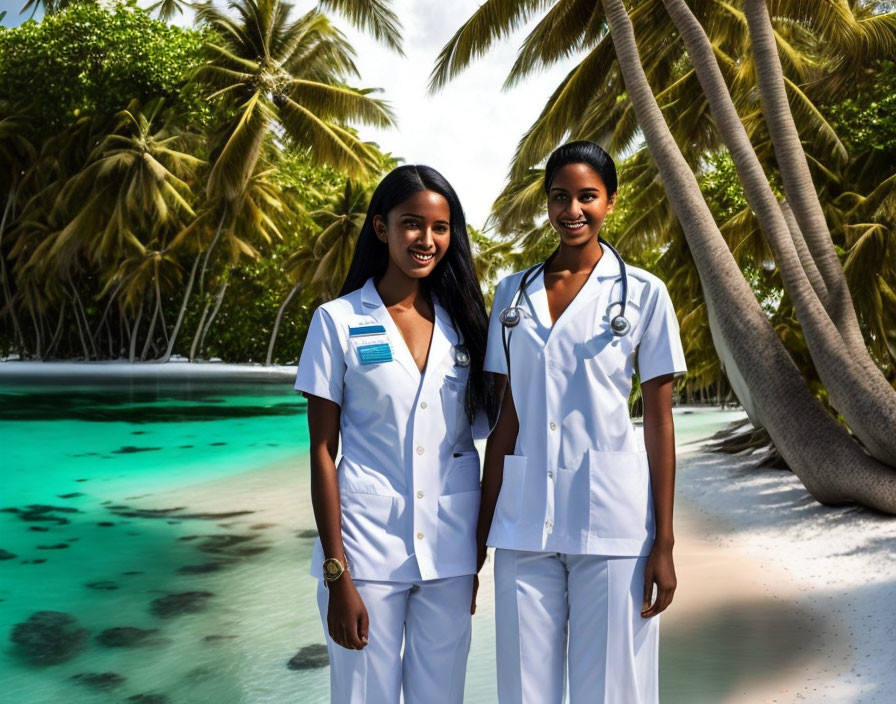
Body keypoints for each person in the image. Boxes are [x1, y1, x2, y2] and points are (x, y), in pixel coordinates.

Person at [477, 141, 687, 703]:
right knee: (524, 691)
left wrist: (663, 542)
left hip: (612, 525)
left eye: (587, 196)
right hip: (524, 526)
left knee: (613, 691)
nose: (573, 209)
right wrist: (480, 536)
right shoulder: (510, 294)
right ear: (546, 204)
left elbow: (660, 424)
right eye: (560, 197)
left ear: (610, 202)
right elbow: (505, 421)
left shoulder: (644, 293)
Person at [294, 164, 496, 704]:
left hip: (449, 553)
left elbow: (481, 438)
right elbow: (321, 451)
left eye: (440, 228)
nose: (426, 240)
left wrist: (477, 555)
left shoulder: (469, 327)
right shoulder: (336, 321)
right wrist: (338, 573)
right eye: (412, 224)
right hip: (365, 550)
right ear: (381, 228)